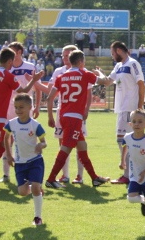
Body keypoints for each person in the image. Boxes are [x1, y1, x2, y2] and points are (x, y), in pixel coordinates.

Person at [44, 50, 109, 188]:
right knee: (66, 149)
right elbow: (106, 82)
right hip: (74, 118)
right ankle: (50, 179)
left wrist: (50, 116)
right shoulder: (85, 74)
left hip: (64, 116)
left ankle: (95, 178)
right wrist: (100, 73)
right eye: (83, 61)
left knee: (82, 147)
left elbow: (50, 98)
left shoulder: (61, 77)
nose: (84, 64)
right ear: (80, 62)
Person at [0, 48, 43, 186]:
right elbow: (24, 91)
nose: (12, 64)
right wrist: (34, 80)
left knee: (2, 144)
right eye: (12, 61)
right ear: (9, 61)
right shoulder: (8, 76)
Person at [96, 41, 145, 185]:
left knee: (124, 141)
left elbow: (141, 84)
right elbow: (107, 81)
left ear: (119, 50)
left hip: (130, 109)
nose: (112, 56)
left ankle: (128, 174)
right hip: (122, 109)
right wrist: (97, 74)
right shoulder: (119, 66)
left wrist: (139, 107)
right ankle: (132, 172)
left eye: (112, 53)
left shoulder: (133, 63)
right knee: (124, 141)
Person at [4, 93, 48, 226]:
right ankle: (36, 189)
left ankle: (37, 217)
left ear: (30, 107)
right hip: (20, 163)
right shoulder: (11, 124)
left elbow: (44, 142)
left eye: (21, 107)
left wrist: (41, 145)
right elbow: (6, 138)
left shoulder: (35, 125)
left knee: (34, 187)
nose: (18, 110)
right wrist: (9, 155)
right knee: (22, 192)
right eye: (16, 107)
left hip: (35, 161)